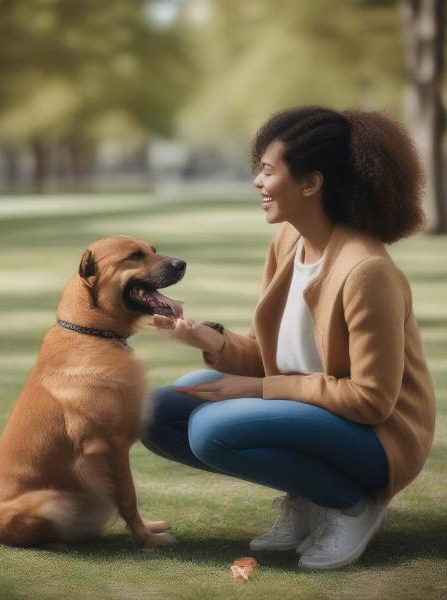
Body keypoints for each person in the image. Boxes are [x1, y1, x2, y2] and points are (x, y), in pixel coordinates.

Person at [141, 106, 436, 570]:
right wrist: (208, 339)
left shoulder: (366, 271)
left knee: (212, 428)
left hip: (378, 439)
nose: (257, 182)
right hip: (312, 410)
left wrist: (254, 389)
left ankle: (349, 504)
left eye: (266, 170)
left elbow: (373, 400)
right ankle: (309, 495)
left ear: (311, 183)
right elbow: (279, 359)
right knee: (155, 411)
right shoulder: (287, 244)